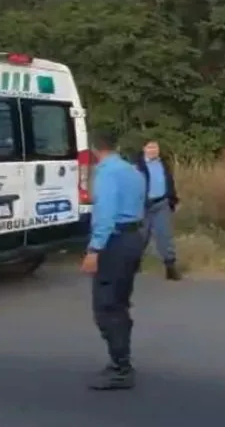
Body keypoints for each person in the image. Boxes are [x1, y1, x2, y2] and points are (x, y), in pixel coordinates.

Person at [82, 130, 147, 391]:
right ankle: (120, 358)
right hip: (133, 236)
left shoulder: (107, 173)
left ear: (94, 149)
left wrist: (94, 249)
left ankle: (121, 367)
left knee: (106, 306)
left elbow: (105, 214)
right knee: (120, 302)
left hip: (115, 240)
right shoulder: (133, 171)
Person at [134, 139, 182, 281]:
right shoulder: (137, 166)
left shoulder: (163, 164)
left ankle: (170, 267)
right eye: (150, 147)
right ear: (144, 149)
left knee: (165, 236)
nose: (153, 150)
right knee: (141, 236)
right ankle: (134, 263)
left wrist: (173, 199)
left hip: (161, 203)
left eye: (155, 147)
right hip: (143, 206)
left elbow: (169, 182)